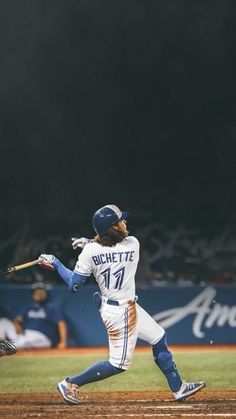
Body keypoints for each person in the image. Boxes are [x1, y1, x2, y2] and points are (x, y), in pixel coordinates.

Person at [38, 205, 205, 404]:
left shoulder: (90, 252)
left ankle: (178, 388)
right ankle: (69, 383)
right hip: (121, 313)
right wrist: (90, 242)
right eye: (120, 221)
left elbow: (74, 285)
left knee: (158, 337)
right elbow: (113, 245)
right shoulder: (133, 244)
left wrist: (56, 263)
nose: (124, 223)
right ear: (113, 228)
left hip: (121, 306)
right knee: (118, 364)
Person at [0, 284, 67, 350]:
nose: (39, 294)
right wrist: (17, 324)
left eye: (41, 292)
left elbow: (61, 324)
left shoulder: (51, 308)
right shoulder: (28, 307)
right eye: (37, 292)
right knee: (4, 321)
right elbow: (17, 320)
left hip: (42, 337)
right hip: (25, 334)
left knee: (24, 342)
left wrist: (63, 342)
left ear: (46, 294)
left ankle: (5, 347)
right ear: (33, 294)